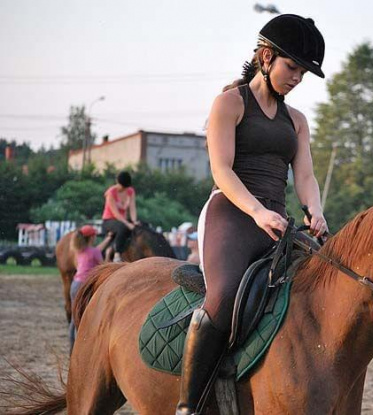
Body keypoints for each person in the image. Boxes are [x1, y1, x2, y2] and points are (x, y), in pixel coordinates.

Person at [176, 14, 329, 414]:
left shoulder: (297, 121)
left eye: (303, 72)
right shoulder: (229, 103)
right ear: (266, 57)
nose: (297, 78)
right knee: (224, 296)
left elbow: (307, 176)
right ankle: (188, 405)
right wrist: (257, 211)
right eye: (292, 67)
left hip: (277, 221)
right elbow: (221, 170)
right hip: (232, 215)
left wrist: (316, 211)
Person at [68, 225, 112, 353]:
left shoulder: (79, 250)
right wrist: (109, 255)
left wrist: (108, 239)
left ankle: (72, 350)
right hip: (85, 286)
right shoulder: (95, 252)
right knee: (85, 318)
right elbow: (104, 266)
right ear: (92, 237)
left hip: (75, 284)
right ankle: (82, 350)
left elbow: (94, 251)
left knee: (74, 319)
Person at [101, 171, 138, 262]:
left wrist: (134, 221)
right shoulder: (111, 192)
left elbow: (132, 208)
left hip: (123, 220)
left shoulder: (130, 191)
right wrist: (128, 224)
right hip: (109, 220)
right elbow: (115, 213)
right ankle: (117, 253)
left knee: (139, 227)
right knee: (123, 227)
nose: (124, 189)